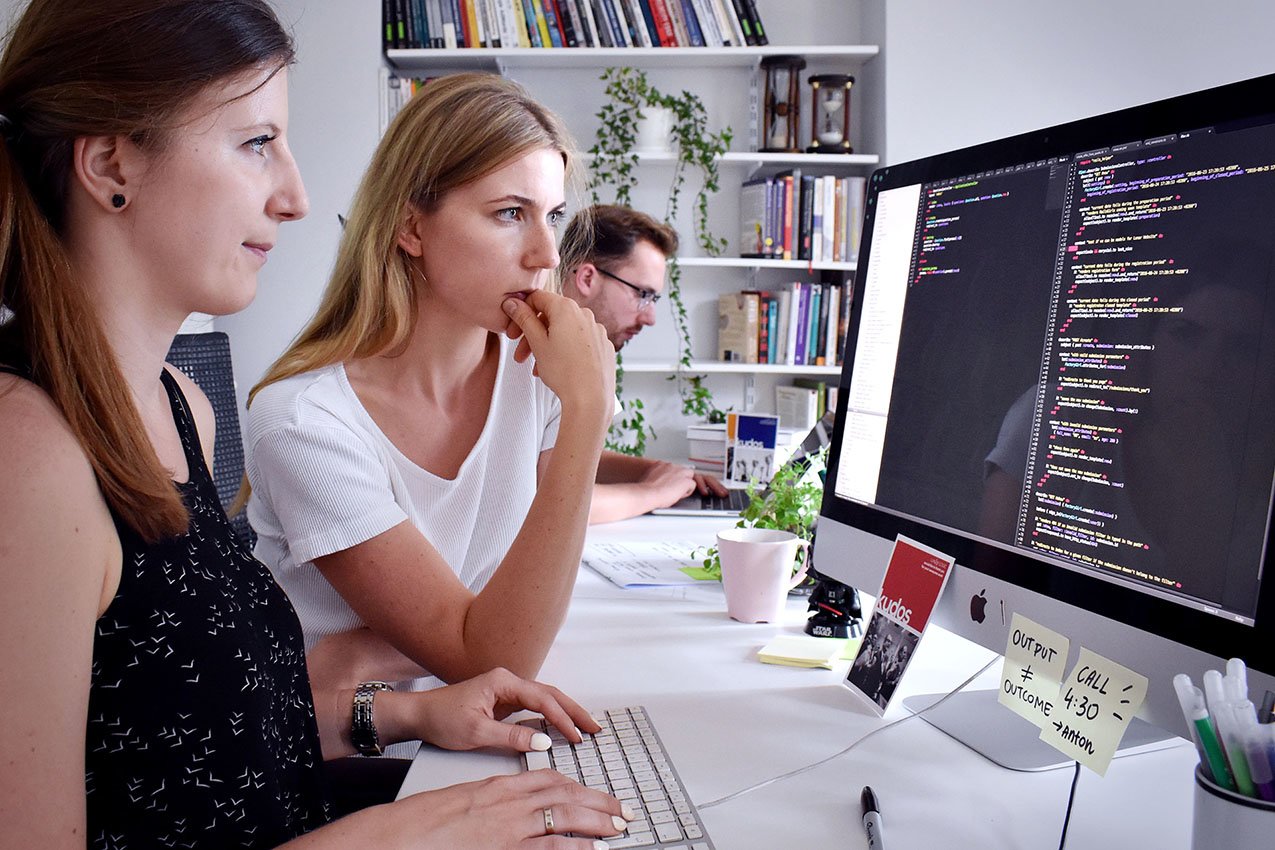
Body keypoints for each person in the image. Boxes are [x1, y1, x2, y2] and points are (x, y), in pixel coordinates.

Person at [0, 2, 628, 847]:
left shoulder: (181, 406)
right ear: (112, 161)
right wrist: (401, 835)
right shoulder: (26, 451)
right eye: (257, 143)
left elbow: (204, 738)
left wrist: (408, 714)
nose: (296, 199)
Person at [243, 74, 616, 708]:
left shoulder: (539, 378)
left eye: (553, 216)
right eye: (509, 214)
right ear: (411, 227)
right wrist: (588, 410)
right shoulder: (305, 422)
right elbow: (501, 657)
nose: (545, 253)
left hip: (458, 735)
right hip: (358, 763)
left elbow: (531, 615)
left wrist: (378, 647)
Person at [559, 204, 728, 523]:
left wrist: (660, 473)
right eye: (643, 294)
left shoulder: (586, 353)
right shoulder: (533, 357)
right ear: (586, 277)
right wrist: (653, 493)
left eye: (654, 299)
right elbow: (552, 500)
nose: (649, 317)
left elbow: (570, 459)